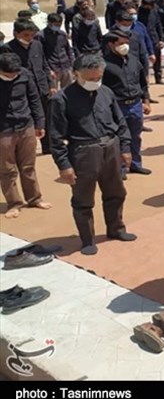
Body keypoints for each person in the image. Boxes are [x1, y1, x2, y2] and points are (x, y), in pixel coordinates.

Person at [49, 53, 136, 255]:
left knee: (116, 192)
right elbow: (56, 137)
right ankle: (87, 240)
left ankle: (116, 229)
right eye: (90, 79)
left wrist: (125, 148)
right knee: (83, 199)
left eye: (98, 77)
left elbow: (120, 122)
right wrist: (64, 165)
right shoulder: (61, 99)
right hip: (83, 152)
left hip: (110, 148)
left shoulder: (106, 92)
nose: (95, 82)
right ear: (76, 74)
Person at [0, 53, 51, 218]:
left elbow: (34, 99)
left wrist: (40, 123)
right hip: (3, 130)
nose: (12, 77)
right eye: (8, 75)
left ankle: (35, 199)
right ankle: (14, 203)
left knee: (28, 166)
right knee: (7, 169)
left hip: (26, 125)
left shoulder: (24, 74)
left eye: (14, 74)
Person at [102, 29, 151, 177]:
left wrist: (146, 100)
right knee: (118, 138)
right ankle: (120, 168)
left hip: (135, 105)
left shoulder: (133, 61)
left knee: (135, 136)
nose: (125, 46)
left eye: (127, 43)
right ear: (111, 45)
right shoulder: (104, 64)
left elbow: (142, 83)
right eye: (121, 43)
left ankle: (135, 164)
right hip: (117, 106)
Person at [1, 19, 56, 154]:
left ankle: (47, 148)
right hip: (23, 91)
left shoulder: (37, 45)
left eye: (32, 35)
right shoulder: (7, 48)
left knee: (44, 118)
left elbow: (44, 65)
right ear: (16, 33)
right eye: (26, 35)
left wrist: (51, 84)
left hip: (41, 88)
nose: (29, 38)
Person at [38, 13, 74, 90]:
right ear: (49, 23)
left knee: (68, 90)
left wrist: (71, 64)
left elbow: (68, 49)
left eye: (59, 24)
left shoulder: (62, 34)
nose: (58, 26)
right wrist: (48, 70)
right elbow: (41, 54)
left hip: (66, 66)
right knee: (53, 91)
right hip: (52, 68)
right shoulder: (41, 36)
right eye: (56, 24)